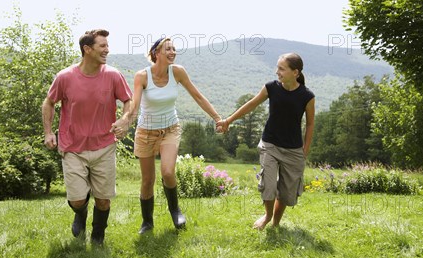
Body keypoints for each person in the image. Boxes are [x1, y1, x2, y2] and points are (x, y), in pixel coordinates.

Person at [42, 29, 133, 245]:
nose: (107, 50)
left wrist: (125, 119)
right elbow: (49, 102)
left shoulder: (113, 75)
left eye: (107, 45)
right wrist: (47, 132)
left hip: (104, 146)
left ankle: (98, 236)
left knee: (103, 200)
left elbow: (128, 101)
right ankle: (80, 214)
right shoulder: (65, 77)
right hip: (72, 146)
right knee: (77, 199)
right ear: (87, 49)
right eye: (102, 46)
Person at [126, 37, 222, 234]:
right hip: (145, 132)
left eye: (174, 49)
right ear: (156, 53)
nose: (172, 52)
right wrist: (125, 121)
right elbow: (134, 105)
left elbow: (197, 96)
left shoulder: (177, 71)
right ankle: (147, 222)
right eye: (167, 49)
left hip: (170, 128)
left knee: (168, 172)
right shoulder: (142, 76)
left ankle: (175, 211)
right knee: (147, 180)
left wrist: (216, 118)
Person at [217, 53, 315, 230]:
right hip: (270, 145)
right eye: (277, 68)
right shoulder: (271, 88)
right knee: (268, 185)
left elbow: (310, 124)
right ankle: (267, 216)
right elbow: (251, 105)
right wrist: (228, 120)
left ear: (295, 72)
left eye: (281, 68)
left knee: (286, 193)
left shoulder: (307, 96)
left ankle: (276, 222)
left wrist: (304, 150)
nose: (277, 72)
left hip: (293, 150)